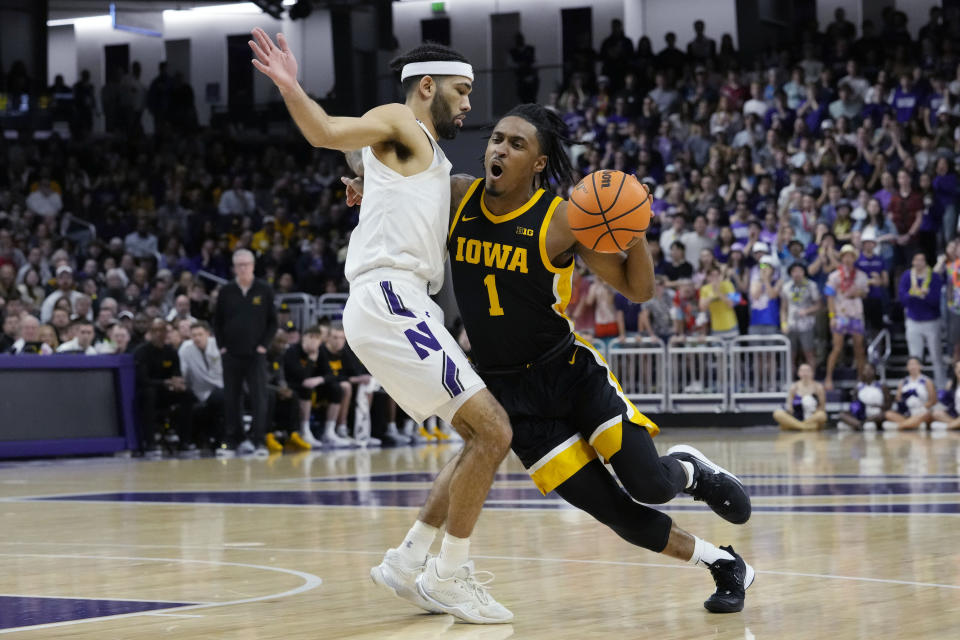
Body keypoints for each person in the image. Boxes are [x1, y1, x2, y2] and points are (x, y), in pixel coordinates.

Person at [348, 104, 754, 614]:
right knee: (618, 515)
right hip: (511, 396)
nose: (500, 148)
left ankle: (691, 471)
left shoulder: (563, 219)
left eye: (516, 144)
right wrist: (366, 179)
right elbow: (394, 171)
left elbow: (639, 288)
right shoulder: (456, 196)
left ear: (539, 164)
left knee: (650, 485)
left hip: (570, 375)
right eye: (497, 139)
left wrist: (636, 232)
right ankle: (723, 563)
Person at [252, 30, 513, 621]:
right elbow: (325, 134)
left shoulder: (422, 152)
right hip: (390, 297)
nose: (469, 103)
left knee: (481, 436)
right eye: (462, 90)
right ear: (427, 87)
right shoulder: (399, 118)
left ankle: (408, 559)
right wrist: (293, 87)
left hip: (403, 301)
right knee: (495, 431)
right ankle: (449, 575)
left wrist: (365, 186)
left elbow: (388, 178)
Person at [213, 249, 278, 458]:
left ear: (252, 265)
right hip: (231, 353)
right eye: (239, 265)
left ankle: (258, 440)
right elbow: (217, 321)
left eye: (246, 264)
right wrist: (222, 346)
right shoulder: (226, 291)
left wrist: (263, 346)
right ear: (234, 267)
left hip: (256, 353)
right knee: (231, 397)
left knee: (259, 396)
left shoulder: (264, 289)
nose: (242, 268)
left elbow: (273, 322)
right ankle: (233, 439)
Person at [134, 319, 195, 458]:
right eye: (154, 331)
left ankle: (184, 441)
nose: (158, 334)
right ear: (149, 333)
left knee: (187, 394)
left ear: (166, 333)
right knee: (149, 394)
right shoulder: (142, 352)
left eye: (161, 330)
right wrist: (165, 382)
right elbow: (142, 380)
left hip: (166, 391)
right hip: (147, 392)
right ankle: (150, 443)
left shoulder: (171, 352)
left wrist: (178, 383)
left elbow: (176, 373)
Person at [323, 322, 382, 446]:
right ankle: (338, 430)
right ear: (328, 338)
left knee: (367, 385)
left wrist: (359, 378)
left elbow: (354, 373)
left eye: (342, 338)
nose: (339, 341)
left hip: (339, 385)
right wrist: (354, 379)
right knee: (346, 387)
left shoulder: (344, 352)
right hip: (323, 387)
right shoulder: (322, 351)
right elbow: (327, 375)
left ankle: (363, 433)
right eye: (335, 337)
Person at [824, 244, 868, 390]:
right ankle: (828, 378)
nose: (848, 259)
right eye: (845, 256)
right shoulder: (834, 276)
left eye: (851, 256)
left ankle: (861, 379)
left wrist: (858, 293)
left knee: (859, 349)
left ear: (854, 258)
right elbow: (829, 297)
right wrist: (832, 316)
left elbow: (865, 292)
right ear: (842, 258)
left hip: (856, 315)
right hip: (840, 315)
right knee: (837, 348)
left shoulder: (861, 275)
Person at [899, 252, 945, 390]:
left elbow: (936, 300)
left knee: (936, 356)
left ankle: (941, 386)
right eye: (916, 259)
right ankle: (917, 386)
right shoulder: (907, 276)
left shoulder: (934, 277)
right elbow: (903, 298)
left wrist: (924, 295)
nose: (919, 262)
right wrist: (915, 294)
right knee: (915, 357)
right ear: (912, 262)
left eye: (922, 260)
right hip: (913, 321)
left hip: (931, 321)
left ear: (926, 262)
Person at [178, 321, 225, 453]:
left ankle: (223, 441)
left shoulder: (218, 345)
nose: (197, 338)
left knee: (222, 398)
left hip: (222, 388)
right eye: (194, 335)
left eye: (200, 334)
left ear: (208, 334)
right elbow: (183, 373)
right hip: (200, 392)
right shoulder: (186, 350)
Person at [779, 263, 820, 367]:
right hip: (791, 325)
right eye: (794, 271)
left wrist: (807, 311)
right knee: (791, 355)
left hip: (807, 325)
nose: (796, 273)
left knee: (809, 353)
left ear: (804, 272)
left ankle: (811, 381)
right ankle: (791, 381)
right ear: (790, 273)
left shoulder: (811, 285)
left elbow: (819, 305)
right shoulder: (786, 287)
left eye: (799, 271)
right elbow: (783, 308)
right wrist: (783, 323)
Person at [883, 357, 936, 431]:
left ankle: (900, 426)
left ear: (920, 366)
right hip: (907, 412)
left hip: (921, 411)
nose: (912, 366)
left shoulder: (927, 381)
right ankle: (912, 424)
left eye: (915, 364)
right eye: (910, 364)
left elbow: (933, 400)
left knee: (926, 414)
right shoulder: (903, 382)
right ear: (907, 367)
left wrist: (921, 408)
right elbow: (898, 398)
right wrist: (903, 403)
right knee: (888, 414)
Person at [773, 363, 827, 430]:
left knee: (822, 415)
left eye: (807, 371)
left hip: (812, 417)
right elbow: (789, 406)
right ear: (798, 373)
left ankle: (795, 426)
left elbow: (822, 407)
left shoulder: (818, 387)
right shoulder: (794, 387)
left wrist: (813, 412)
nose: (805, 373)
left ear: (812, 373)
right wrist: (791, 412)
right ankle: (804, 427)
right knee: (777, 413)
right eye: (802, 371)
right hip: (797, 416)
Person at [838, 363, 888, 431]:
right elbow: (853, 404)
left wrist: (879, 406)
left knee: (883, 415)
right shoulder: (858, 387)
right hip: (862, 413)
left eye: (870, 369)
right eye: (865, 370)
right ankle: (859, 424)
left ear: (875, 371)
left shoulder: (882, 386)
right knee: (842, 414)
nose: (867, 372)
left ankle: (860, 424)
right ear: (863, 372)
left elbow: (888, 405)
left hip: (875, 413)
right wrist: (858, 408)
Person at [698, 265, 739, 339]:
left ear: (720, 275)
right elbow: (702, 308)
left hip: (731, 325)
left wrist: (718, 292)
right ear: (707, 277)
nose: (715, 278)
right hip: (716, 328)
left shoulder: (728, 285)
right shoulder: (704, 289)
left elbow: (732, 304)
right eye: (712, 275)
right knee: (717, 350)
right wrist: (711, 296)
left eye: (717, 275)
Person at [931, 360, 960, 431]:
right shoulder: (950, 384)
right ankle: (955, 425)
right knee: (936, 413)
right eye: (958, 367)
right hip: (956, 415)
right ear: (955, 370)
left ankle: (947, 427)